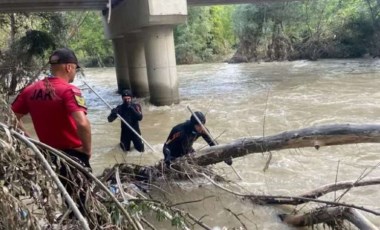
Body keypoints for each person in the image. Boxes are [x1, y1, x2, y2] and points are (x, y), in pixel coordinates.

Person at [11, 47, 92, 215]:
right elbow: (82, 124)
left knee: (66, 196)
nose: (75, 73)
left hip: (48, 154)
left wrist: (30, 141)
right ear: (69, 67)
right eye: (76, 69)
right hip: (73, 155)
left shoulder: (30, 90)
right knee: (82, 203)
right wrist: (86, 151)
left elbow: (11, 117)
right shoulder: (69, 90)